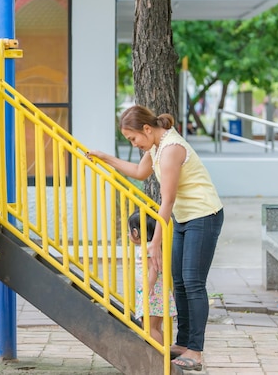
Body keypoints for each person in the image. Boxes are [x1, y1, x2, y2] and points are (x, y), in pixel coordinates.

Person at [87, 105, 223, 372]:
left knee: (193, 282)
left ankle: (195, 350)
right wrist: (105, 157)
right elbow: (140, 173)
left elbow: (167, 199)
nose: (135, 144)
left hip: (204, 215)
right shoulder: (155, 147)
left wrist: (155, 243)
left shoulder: (171, 149)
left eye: (133, 138)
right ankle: (183, 343)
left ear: (147, 129)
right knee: (180, 282)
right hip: (186, 218)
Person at [128, 210, 176, 347]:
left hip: (152, 293)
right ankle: (162, 354)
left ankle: (159, 357)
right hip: (155, 292)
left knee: (150, 328)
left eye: (129, 231)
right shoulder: (150, 247)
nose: (128, 234)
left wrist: (149, 286)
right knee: (154, 327)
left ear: (136, 233)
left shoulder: (146, 249)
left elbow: (153, 268)